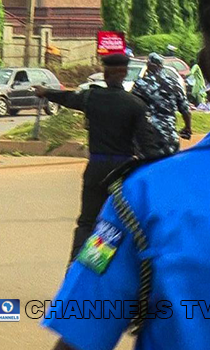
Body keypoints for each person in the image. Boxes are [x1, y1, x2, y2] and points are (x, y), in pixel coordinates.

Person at [43, 1, 210, 349]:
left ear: (207, 67)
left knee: (86, 226)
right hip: (144, 156)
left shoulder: (142, 196)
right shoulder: (135, 111)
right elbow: (157, 130)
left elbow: (81, 334)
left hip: (104, 172)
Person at [35, 54, 152, 262]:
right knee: (114, 224)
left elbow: (68, 98)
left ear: (105, 74)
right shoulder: (136, 105)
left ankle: (75, 271)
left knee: (87, 222)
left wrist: (45, 92)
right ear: (124, 73)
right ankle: (99, 267)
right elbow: (147, 146)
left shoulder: (91, 98)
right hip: (122, 172)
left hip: (96, 168)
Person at [131, 52, 193, 157]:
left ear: (149, 65)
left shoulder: (141, 84)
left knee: (147, 168)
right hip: (169, 136)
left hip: (148, 136)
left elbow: (133, 109)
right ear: (161, 66)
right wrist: (187, 128)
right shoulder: (173, 83)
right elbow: (185, 110)